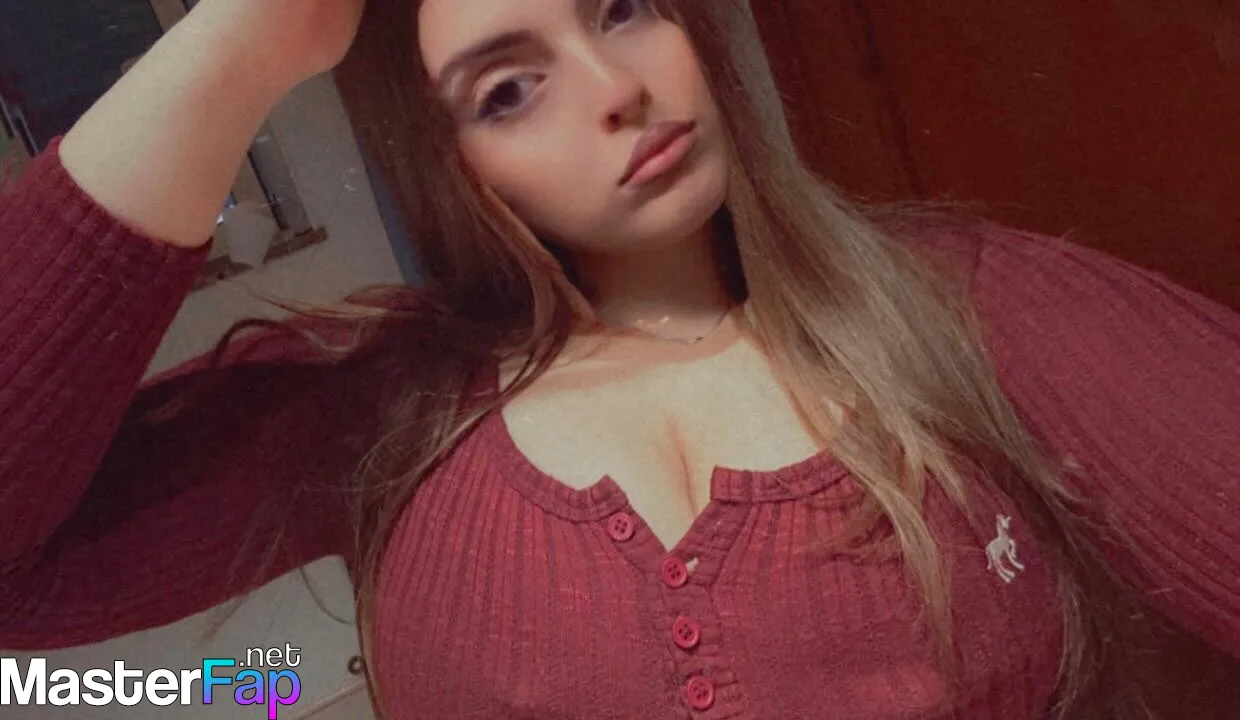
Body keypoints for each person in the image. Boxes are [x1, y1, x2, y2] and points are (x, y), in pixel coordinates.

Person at [1, 0, 1237, 717]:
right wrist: (239, 44)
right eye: (508, 91)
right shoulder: (377, 414)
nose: (614, 89)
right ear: (450, 165)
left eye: (623, 5)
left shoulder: (972, 311)